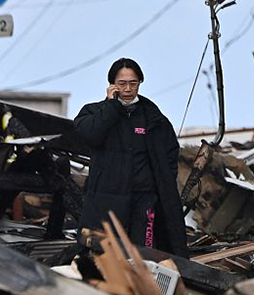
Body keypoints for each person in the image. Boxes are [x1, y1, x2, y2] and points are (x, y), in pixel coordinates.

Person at [74, 58, 189, 259]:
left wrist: (156, 186)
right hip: (106, 200)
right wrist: (111, 107)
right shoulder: (94, 112)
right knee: (103, 256)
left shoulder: (153, 118)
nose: (127, 89)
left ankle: (141, 289)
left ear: (140, 83)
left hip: (143, 201)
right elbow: (90, 136)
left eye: (133, 83)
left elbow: (170, 154)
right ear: (112, 85)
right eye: (122, 83)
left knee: (143, 256)